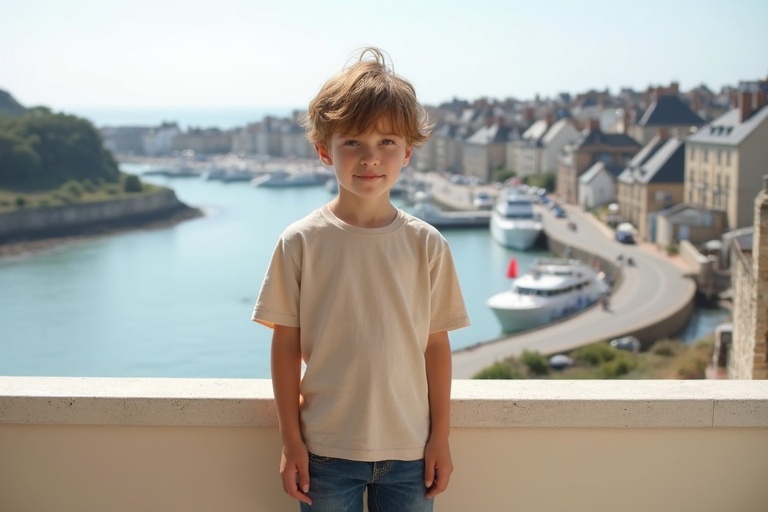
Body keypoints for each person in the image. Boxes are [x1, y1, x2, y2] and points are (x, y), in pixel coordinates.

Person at [252, 47, 470, 512]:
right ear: (323, 150)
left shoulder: (427, 244)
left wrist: (441, 438)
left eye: (387, 142)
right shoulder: (300, 242)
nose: (371, 157)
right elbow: (285, 346)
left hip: (412, 451)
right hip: (325, 451)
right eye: (352, 141)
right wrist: (291, 442)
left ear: (407, 153)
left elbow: (436, 345)